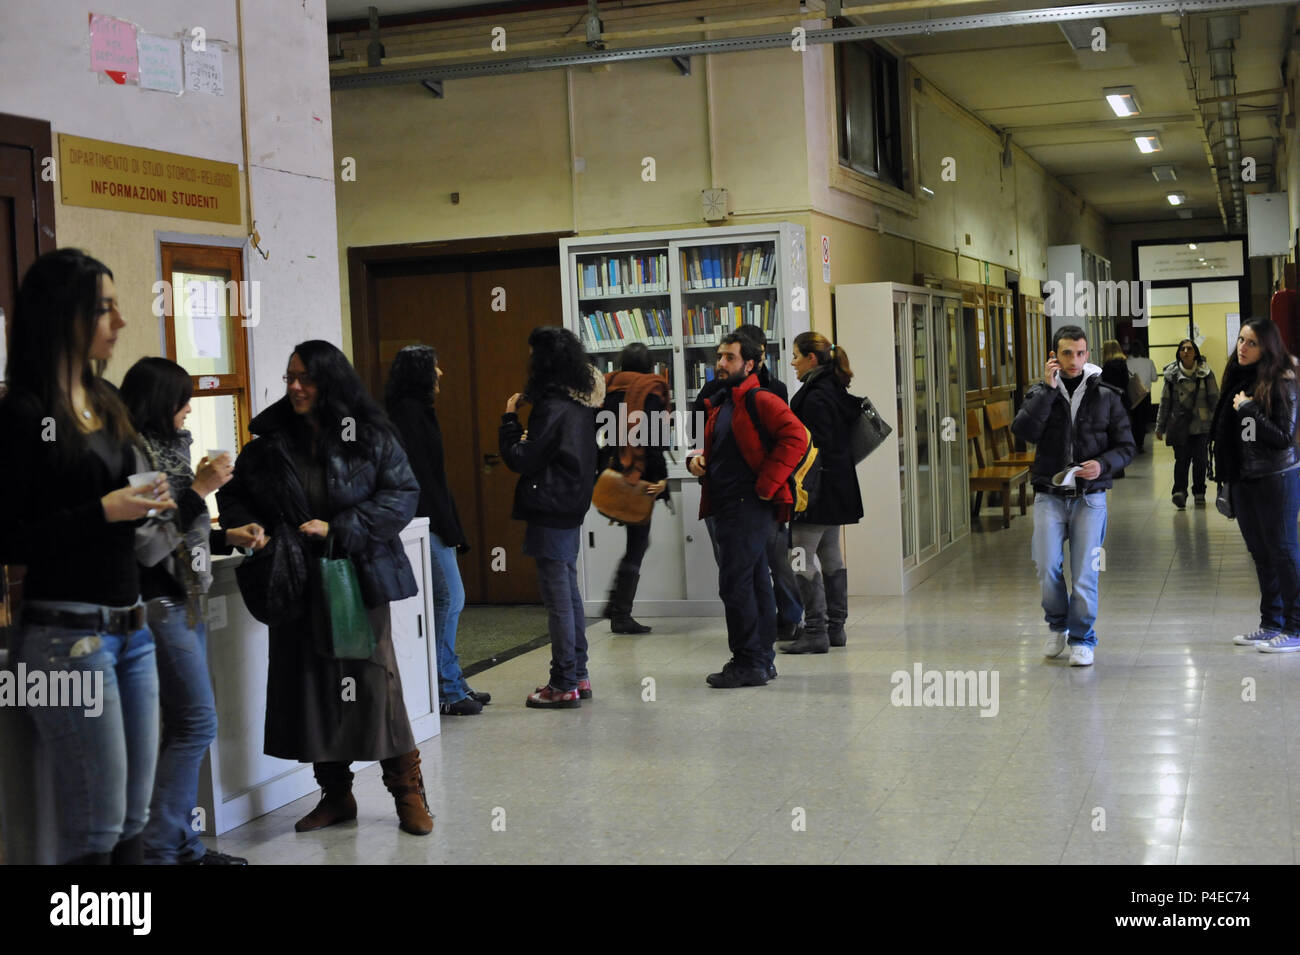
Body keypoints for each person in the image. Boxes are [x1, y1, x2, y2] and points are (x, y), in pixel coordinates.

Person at [0, 248, 175, 864]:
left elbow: (118, 503)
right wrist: (102, 511)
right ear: (63, 316)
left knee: (133, 819)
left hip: (133, 630)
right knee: (96, 830)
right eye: (104, 309)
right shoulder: (22, 412)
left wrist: (148, 502)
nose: (120, 321)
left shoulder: (104, 399)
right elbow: (9, 538)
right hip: (67, 641)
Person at [216, 340, 433, 836]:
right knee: (310, 689)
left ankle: (408, 793)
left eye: (306, 378)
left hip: (356, 575)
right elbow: (234, 495)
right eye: (290, 377)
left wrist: (340, 528)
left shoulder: (369, 434)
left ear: (329, 381)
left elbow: (402, 494)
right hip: (294, 577)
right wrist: (248, 527)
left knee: (373, 686)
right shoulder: (269, 442)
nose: (295, 387)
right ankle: (335, 796)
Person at [120, 357, 264, 865]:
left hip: (186, 598)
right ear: (161, 401)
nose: (188, 408)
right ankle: (159, 847)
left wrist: (226, 536)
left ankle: (180, 844)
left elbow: (182, 530)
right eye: (182, 399)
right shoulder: (134, 454)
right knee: (197, 723)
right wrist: (202, 489)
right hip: (159, 601)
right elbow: (148, 545)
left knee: (183, 724)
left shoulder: (172, 450)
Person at [687, 332, 807, 687]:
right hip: (729, 504)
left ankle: (747, 662)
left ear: (750, 364)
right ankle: (760, 660)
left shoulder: (761, 398)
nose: (721, 364)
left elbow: (796, 437)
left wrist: (768, 484)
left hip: (747, 506)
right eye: (719, 357)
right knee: (754, 582)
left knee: (736, 584)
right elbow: (713, 447)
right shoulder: (724, 400)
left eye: (730, 358)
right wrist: (696, 462)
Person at [1012, 324, 1135, 667]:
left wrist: (1102, 464)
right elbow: (1023, 431)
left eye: (1080, 353)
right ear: (1054, 356)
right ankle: (1058, 625)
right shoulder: (1040, 392)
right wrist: (1047, 391)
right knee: (1046, 565)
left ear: (1088, 355)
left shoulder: (1106, 395)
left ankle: (1083, 638)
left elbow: (1127, 446)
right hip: (1049, 495)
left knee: (1084, 573)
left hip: (1089, 497)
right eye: (1067, 353)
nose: (1074, 360)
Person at [385, 345, 491, 716]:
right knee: (450, 598)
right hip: (423, 521)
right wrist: (448, 527)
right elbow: (424, 482)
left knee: (447, 599)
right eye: (434, 367)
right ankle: (446, 687)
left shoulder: (416, 411)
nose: (441, 373)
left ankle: (452, 679)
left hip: (432, 520)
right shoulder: (408, 415)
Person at [499, 326, 600, 708]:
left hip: (550, 507)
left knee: (558, 599)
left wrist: (509, 421)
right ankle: (579, 674)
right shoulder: (580, 404)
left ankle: (563, 683)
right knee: (568, 594)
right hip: (571, 506)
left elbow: (523, 459)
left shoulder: (552, 407)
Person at [1209, 318, 1300, 652]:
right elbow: (1241, 435)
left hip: (1276, 477)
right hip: (1244, 477)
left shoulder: (1282, 381)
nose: (1242, 348)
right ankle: (1271, 623)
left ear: (1268, 347)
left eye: (1252, 343)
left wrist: (1249, 410)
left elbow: (1283, 437)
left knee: (1283, 551)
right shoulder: (1238, 378)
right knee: (1261, 553)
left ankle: (1296, 627)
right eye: (1241, 340)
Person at [779, 332, 863, 654]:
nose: (793, 363)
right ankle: (835, 628)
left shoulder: (814, 397)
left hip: (814, 491)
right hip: (838, 488)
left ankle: (815, 630)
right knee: (830, 553)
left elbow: (810, 448)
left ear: (812, 358)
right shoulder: (835, 388)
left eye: (796, 356)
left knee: (798, 557)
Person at [599, 342, 669, 634]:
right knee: (638, 542)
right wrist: (661, 480)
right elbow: (654, 440)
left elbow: (598, 431)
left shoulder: (608, 388)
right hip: (642, 476)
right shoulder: (652, 390)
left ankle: (616, 605)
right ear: (650, 366)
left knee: (637, 540)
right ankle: (619, 611)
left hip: (614, 472)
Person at [1155, 339, 1220, 509]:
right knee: (1181, 460)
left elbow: (1215, 399)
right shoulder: (1171, 376)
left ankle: (1199, 492)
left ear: (1195, 353)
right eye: (1182, 349)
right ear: (1178, 353)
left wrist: (1219, 424)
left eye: (1189, 349)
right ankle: (1179, 492)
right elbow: (1165, 402)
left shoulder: (1206, 373)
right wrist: (1160, 426)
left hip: (1201, 425)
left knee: (1200, 460)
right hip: (1179, 425)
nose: (1186, 351)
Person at [1099, 340, 1130, 478]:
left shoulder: (1107, 367)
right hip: (1123, 401)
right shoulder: (1123, 364)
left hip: (1110, 403)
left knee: (1111, 436)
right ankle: (1121, 466)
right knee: (1120, 435)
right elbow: (1126, 383)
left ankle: (1115, 468)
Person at [1126, 342, 1158, 452]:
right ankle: (1140, 444)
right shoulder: (1149, 362)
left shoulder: (1126, 362)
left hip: (1132, 394)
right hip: (1145, 395)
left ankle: (1133, 442)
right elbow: (1154, 378)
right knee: (1143, 421)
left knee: (1133, 420)